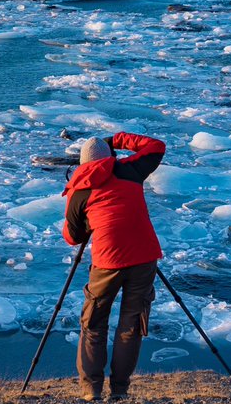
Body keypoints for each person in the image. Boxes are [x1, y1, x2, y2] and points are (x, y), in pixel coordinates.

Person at [62, 131, 166, 401]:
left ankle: (91, 390)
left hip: (108, 261)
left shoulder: (79, 189)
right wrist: (115, 139)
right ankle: (119, 391)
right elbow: (155, 146)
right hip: (144, 257)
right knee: (131, 325)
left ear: (83, 163)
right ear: (111, 157)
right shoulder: (130, 170)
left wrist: (89, 223)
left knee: (94, 323)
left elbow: (73, 237)